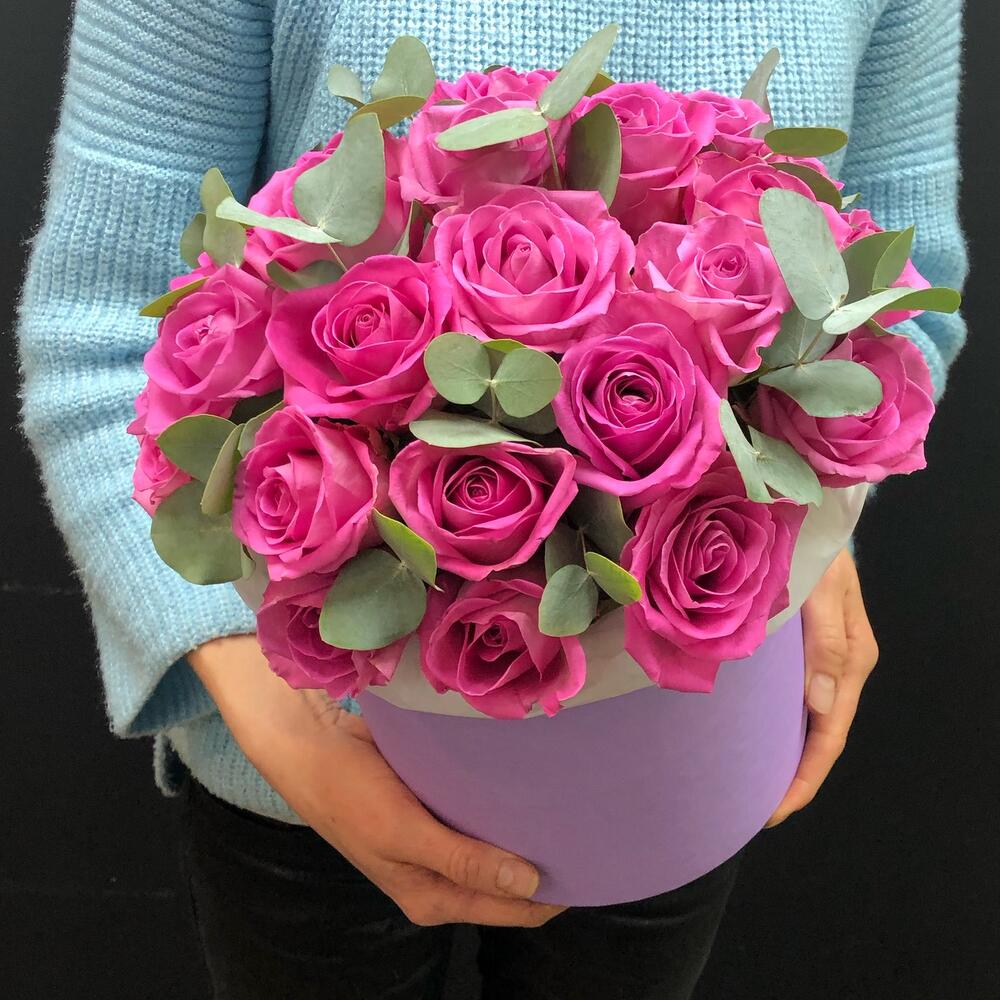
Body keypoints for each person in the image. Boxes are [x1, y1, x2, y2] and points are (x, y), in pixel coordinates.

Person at [15, 1, 965, 997]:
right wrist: (265, 698)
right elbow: (100, 336)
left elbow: (901, 294)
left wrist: (805, 520)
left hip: (681, 753)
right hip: (309, 769)